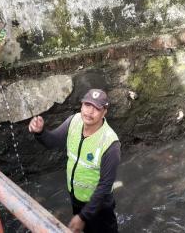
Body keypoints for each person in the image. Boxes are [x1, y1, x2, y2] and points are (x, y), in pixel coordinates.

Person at [29, 89, 121, 233]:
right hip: (76, 197)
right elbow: (52, 141)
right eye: (87, 105)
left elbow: (105, 186)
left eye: (97, 108)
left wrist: (83, 217)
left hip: (99, 207)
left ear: (104, 112)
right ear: (81, 106)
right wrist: (40, 132)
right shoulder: (74, 121)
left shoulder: (110, 144)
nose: (90, 112)